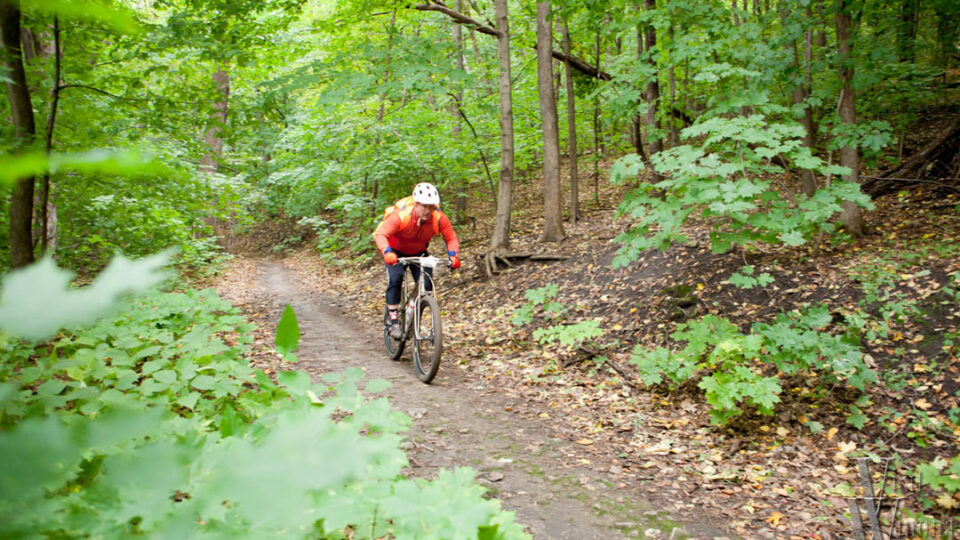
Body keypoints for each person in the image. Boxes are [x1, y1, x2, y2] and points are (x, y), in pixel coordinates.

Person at [373, 182, 461, 339]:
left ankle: (414, 319)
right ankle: (394, 322)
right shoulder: (401, 217)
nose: (428, 211)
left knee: (426, 285)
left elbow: (451, 237)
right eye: (424, 206)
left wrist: (453, 255)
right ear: (416, 204)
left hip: (419, 253)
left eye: (432, 207)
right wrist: (387, 252)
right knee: (396, 278)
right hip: (395, 252)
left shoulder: (438, 219)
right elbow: (381, 234)